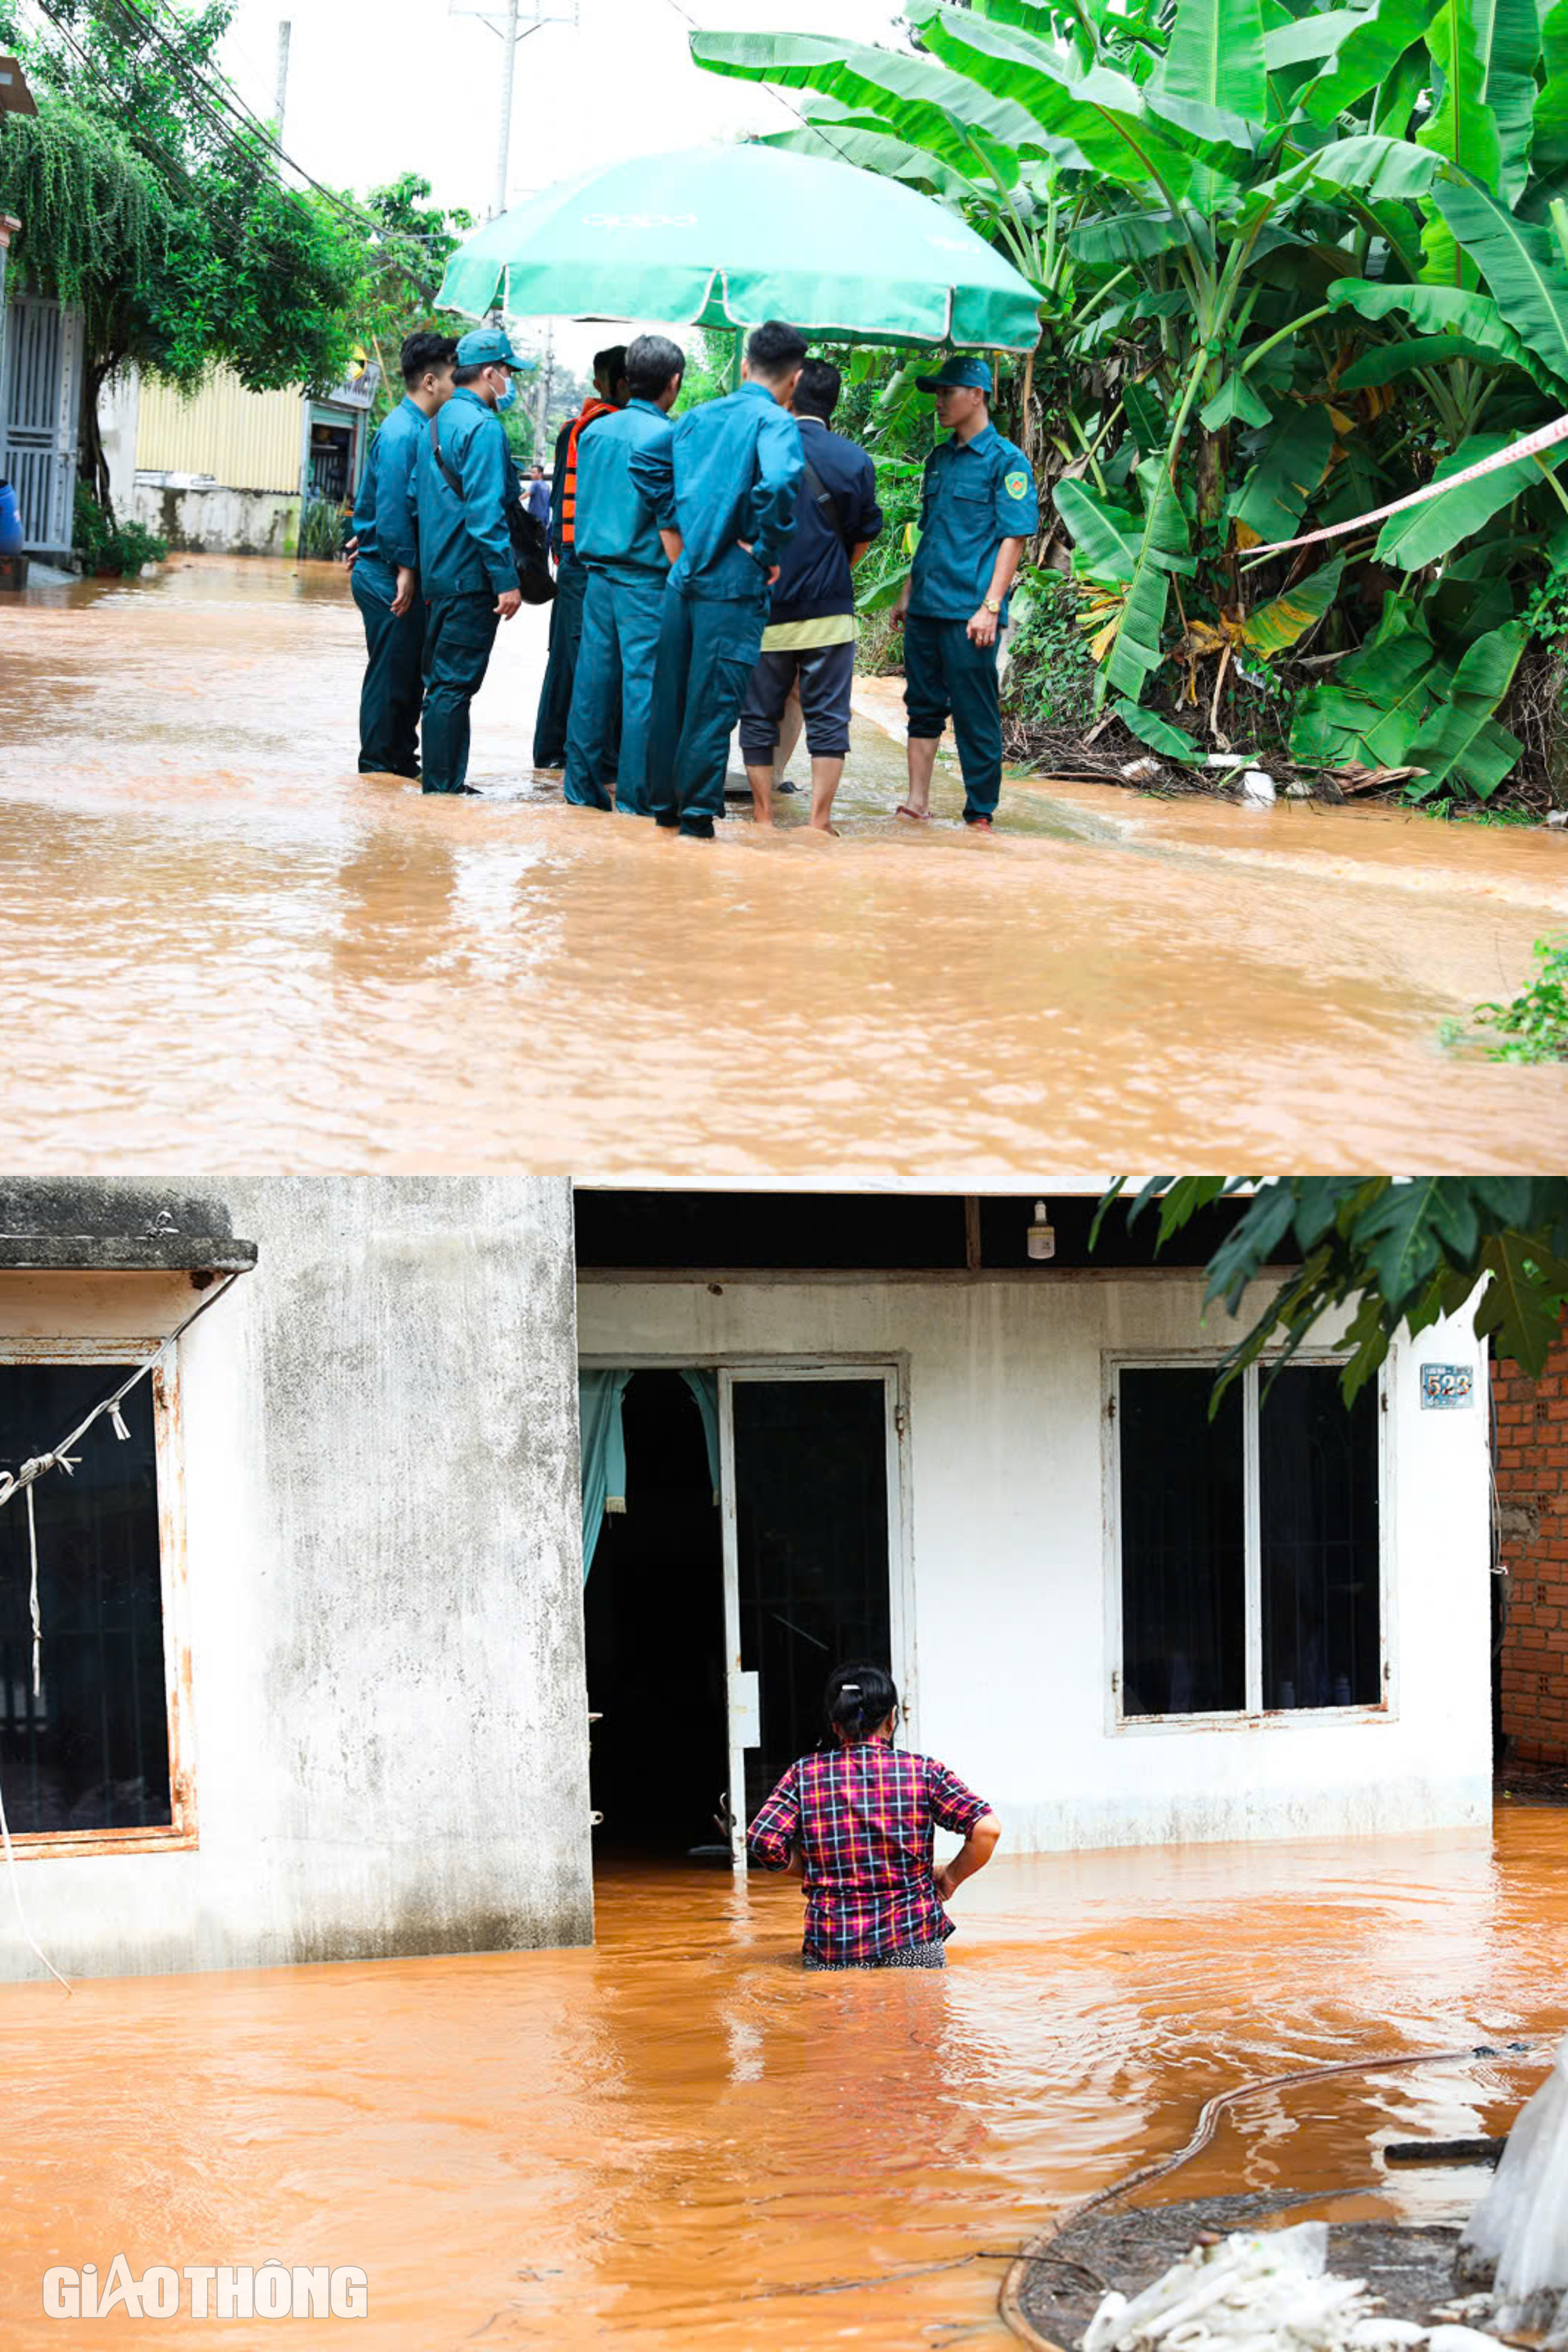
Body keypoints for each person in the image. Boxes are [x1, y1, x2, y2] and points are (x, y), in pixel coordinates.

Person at [631, 318, 807, 840]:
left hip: (683, 578)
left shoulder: (697, 417)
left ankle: (665, 811)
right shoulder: (776, 424)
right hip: (732, 584)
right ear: (794, 380)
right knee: (712, 706)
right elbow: (779, 481)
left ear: (747, 366)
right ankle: (695, 821)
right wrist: (766, 547)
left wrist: (677, 523)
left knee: (671, 699)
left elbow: (644, 463)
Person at [746, 1661, 1001, 1972]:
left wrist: (814, 1871)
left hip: (833, 1948)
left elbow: (763, 1841)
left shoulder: (805, 1774)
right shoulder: (923, 1772)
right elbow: (987, 1830)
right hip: (915, 1941)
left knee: (832, 2020)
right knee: (919, 2020)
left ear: (834, 1722)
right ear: (893, 1719)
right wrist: (949, 1878)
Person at [891, 354, 1039, 831]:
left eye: (946, 392)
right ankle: (917, 802)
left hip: (971, 613)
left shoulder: (1007, 462)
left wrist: (991, 607)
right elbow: (929, 532)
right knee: (922, 705)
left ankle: (980, 814)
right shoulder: (938, 460)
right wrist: (907, 593)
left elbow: (1013, 538)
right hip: (928, 606)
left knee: (975, 711)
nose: (938, 402)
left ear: (977, 394)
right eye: (936, 394)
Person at [739, 357, 882, 834]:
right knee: (828, 719)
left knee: (758, 716)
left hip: (766, 609)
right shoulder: (855, 459)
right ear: (834, 405)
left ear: (790, 393)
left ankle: (762, 818)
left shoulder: (762, 447)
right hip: (830, 615)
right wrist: (834, 572)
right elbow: (863, 535)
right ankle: (819, 822)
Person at [398, 324, 526, 796]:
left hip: (438, 579)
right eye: (508, 373)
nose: (510, 384)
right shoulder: (484, 429)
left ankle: (442, 784)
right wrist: (506, 581)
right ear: (490, 374)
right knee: (454, 688)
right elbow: (486, 514)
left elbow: (414, 501)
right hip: (471, 581)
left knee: (442, 687)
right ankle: (443, 791)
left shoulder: (433, 424)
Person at [562, 334, 684, 816]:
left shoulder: (593, 432)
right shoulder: (667, 438)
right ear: (673, 383)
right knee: (643, 692)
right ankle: (636, 801)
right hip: (645, 583)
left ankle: (581, 794)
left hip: (597, 578)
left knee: (591, 686)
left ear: (628, 379)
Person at [346, 331, 457, 780]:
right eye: (454, 376)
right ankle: (377, 767)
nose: (459, 384)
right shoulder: (400, 433)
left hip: (393, 568)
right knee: (389, 675)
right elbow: (392, 511)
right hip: (388, 574)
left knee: (405, 674)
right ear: (431, 382)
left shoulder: (418, 428)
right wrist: (407, 569)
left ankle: (398, 762)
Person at [532, 346, 628, 772]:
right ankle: (582, 756)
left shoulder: (575, 428)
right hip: (588, 561)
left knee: (567, 656)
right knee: (591, 659)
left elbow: (557, 503)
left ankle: (554, 753)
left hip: (571, 559)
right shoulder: (609, 429)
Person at [524, 464, 550, 528]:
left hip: (533, 520)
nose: (531, 474)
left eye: (533, 472)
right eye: (531, 472)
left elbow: (525, 495)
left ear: (540, 474)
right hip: (544, 520)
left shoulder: (535, 483)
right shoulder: (547, 487)